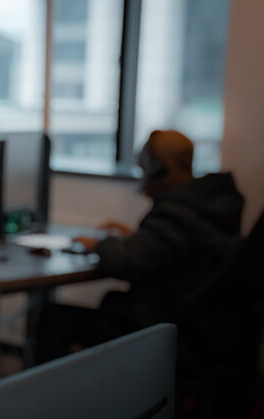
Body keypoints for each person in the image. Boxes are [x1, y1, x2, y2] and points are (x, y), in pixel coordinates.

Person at [32, 129, 245, 363]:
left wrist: (100, 243)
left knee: (53, 318)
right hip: (201, 328)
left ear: (160, 168)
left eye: (145, 169)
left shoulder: (178, 212)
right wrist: (138, 237)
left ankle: (43, 398)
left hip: (164, 327)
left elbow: (128, 262)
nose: (143, 177)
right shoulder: (208, 203)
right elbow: (173, 248)